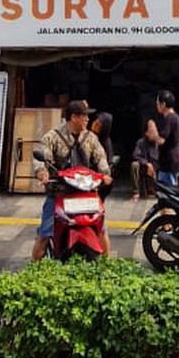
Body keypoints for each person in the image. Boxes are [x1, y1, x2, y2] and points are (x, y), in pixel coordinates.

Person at [32, 99, 111, 260]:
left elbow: (100, 157)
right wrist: (42, 172)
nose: (88, 120)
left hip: (86, 193)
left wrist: (105, 174)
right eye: (84, 117)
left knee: (102, 229)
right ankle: (34, 267)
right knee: (44, 235)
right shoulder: (53, 136)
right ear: (73, 117)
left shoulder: (90, 138)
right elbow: (41, 157)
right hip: (60, 193)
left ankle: (107, 264)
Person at [155, 90, 179, 187]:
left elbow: (162, 140)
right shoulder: (174, 117)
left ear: (163, 104)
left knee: (168, 192)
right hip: (170, 160)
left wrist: (153, 135)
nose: (156, 106)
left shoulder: (170, 118)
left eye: (157, 103)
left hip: (169, 161)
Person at [130, 118, 161, 201]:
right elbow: (135, 155)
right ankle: (136, 192)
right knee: (134, 165)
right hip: (145, 168)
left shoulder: (160, 142)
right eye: (151, 130)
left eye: (155, 130)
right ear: (146, 133)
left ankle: (156, 190)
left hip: (157, 169)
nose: (154, 133)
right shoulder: (141, 142)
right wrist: (147, 163)